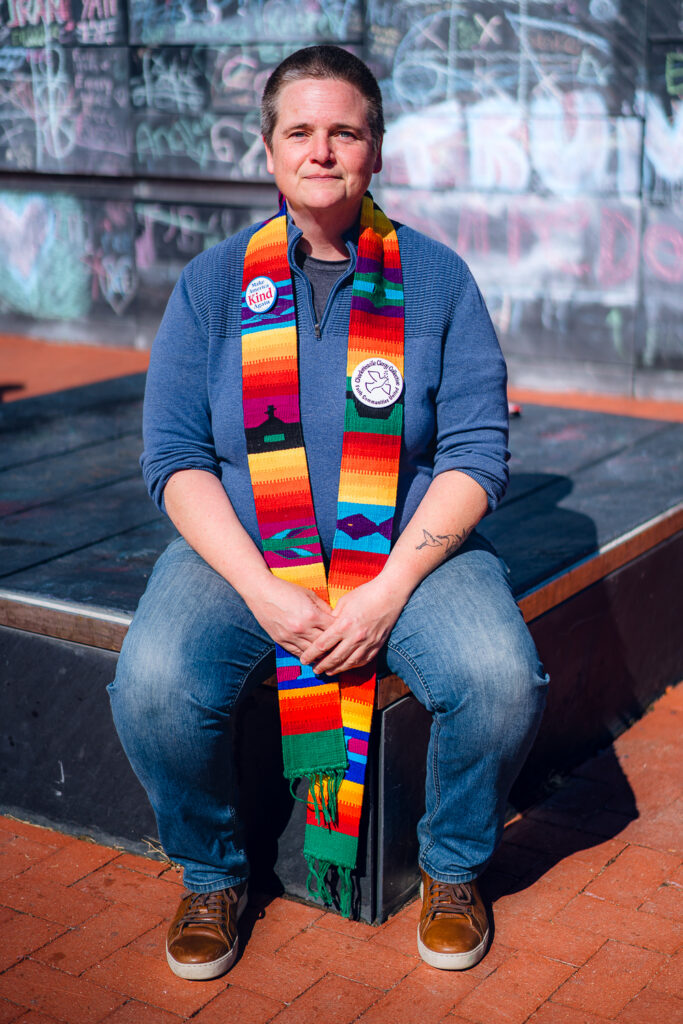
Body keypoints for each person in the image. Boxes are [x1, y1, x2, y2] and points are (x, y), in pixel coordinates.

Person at [109, 44, 548, 981]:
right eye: (299, 131)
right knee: (152, 686)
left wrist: (388, 590)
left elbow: (475, 455)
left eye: (343, 132)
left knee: (500, 679)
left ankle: (452, 869)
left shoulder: (438, 281)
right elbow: (175, 458)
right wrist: (261, 590)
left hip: (404, 549)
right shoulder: (212, 285)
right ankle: (211, 874)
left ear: (374, 151)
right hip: (244, 549)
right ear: (268, 149)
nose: (321, 150)